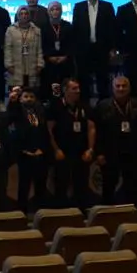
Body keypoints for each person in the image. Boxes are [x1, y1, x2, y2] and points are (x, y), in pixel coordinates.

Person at [93, 76, 137, 207]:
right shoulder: (103, 106)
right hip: (111, 153)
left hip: (134, 153)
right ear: (112, 88)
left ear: (130, 88)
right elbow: (97, 132)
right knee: (109, 187)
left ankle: (136, 213)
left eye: (124, 86)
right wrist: (99, 153)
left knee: (136, 188)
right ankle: (108, 214)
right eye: (118, 86)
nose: (121, 89)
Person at [48, 79, 93, 209]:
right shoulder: (55, 107)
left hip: (81, 152)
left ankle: (81, 213)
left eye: (78, 88)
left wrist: (90, 149)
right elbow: (49, 130)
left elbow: (91, 128)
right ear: (65, 90)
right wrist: (56, 149)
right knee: (61, 185)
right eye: (74, 88)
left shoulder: (84, 106)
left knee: (81, 186)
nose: (78, 91)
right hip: (63, 152)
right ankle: (61, 214)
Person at [11, 87, 49, 213]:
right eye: (26, 96)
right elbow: (12, 111)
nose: (29, 99)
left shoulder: (39, 111)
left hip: (40, 154)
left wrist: (42, 149)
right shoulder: (18, 111)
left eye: (31, 97)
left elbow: (44, 132)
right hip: (25, 154)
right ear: (21, 99)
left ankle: (41, 214)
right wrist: (14, 99)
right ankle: (22, 214)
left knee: (41, 187)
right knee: (24, 187)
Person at [4, 7, 43, 91]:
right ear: (18, 16)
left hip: (32, 65)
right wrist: (8, 65)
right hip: (16, 67)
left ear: (29, 15)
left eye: (26, 13)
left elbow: (39, 48)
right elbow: (7, 49)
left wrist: (40, 64)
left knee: (31, 92)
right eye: (21, 14)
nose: (24, 16)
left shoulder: (36, 30)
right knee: (16, 93)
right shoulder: (11, 30)